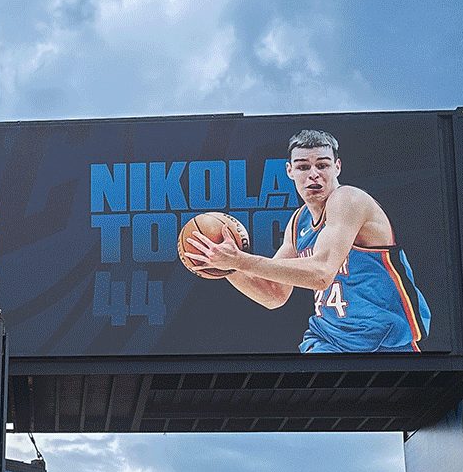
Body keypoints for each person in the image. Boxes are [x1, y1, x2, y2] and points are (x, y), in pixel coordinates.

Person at [181, 128, 431, 353]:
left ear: (337, 167)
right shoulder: (298, 221)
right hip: (329, 340)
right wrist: (226, 267)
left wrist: (240, 260)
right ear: (289, 171)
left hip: (384, 342)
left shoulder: (349, 199)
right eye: (303, 167)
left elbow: (321, 274)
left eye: (322, 165)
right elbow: (274, 294)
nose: (314, 175)